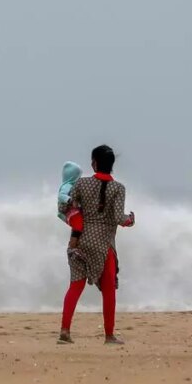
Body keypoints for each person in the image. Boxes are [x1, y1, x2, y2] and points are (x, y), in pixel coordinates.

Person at [58, 145, 135, 345]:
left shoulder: (81, 184)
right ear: (112, 165)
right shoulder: (119, 189)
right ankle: (109, 335)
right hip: (104, 244)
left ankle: (65, 332)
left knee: (75, 286)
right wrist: (130, 219)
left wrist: (75, 234)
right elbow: (119, 217)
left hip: (80, 239)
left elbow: (71, 208)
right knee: (109, 290)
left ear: (94, 163)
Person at [58, 161, 84, 250]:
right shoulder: (67, 186)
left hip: (73, 211)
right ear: (72, 177)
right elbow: (61, 196)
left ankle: (75, 243)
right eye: (78, 177)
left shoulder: (74, 186)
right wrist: (70, 200)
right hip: (68, 211)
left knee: (78, 226)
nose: (79, 179)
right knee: (78, 225)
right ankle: (72, 246)